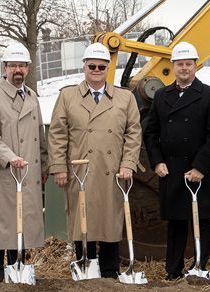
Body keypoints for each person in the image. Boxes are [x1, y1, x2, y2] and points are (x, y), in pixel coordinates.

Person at [48, 43, 142, 278]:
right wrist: (59, 167)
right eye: (92, 66)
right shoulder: (67, 96)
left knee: (110, 221)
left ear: (108, 68)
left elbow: (133, 133)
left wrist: (128, 163)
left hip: (112, 172)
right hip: (80, 172)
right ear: (84, 67)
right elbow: (58, 134)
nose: (97, 70)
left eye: (101, 66)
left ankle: (110, 271)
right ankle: (85, 266)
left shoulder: (125, 97)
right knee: (82, 220)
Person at [142, 42, 210, 280]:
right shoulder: (161, 96)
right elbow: (150, 133)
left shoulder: (209, 95)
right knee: (176, 222)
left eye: (189, 64)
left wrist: (200, 166)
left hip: (201, 169)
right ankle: (173, 270)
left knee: (202, 220)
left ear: (196, 66)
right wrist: (157, 161)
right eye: (180, 64)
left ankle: (200, 266)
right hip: (172, 169)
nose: (185, 68)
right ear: (173, 66)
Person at [0, 42, 48, 281]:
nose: (18, 70)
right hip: (2, 172)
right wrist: (9, 158)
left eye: (22, 65)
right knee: (1, 227)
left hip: (26, 172)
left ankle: (18, 273)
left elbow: (40, 134)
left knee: (22, 225)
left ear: (28, 69)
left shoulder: (32, 97)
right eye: (13, 65)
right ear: (4, 68)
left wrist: (45, 165)